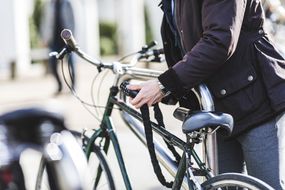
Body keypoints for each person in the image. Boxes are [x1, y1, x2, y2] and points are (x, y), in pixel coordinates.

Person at [128, 0, 285, 189]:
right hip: (216, 106)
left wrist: (164, 84)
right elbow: (184, 39)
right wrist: (168, 89)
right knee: (219, 186)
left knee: (266, 186)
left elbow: (219, 40)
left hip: (256, 101)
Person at [40, 0, 76, 95]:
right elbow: (45, 22)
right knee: (52, 65)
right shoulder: (49, 4)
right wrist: (44, 38)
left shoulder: (68, 3)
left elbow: (74, 20)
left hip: (67, 40)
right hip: (54, 40)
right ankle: (59, 85)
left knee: (71, 64)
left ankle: (73, 87)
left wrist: (73, 38)